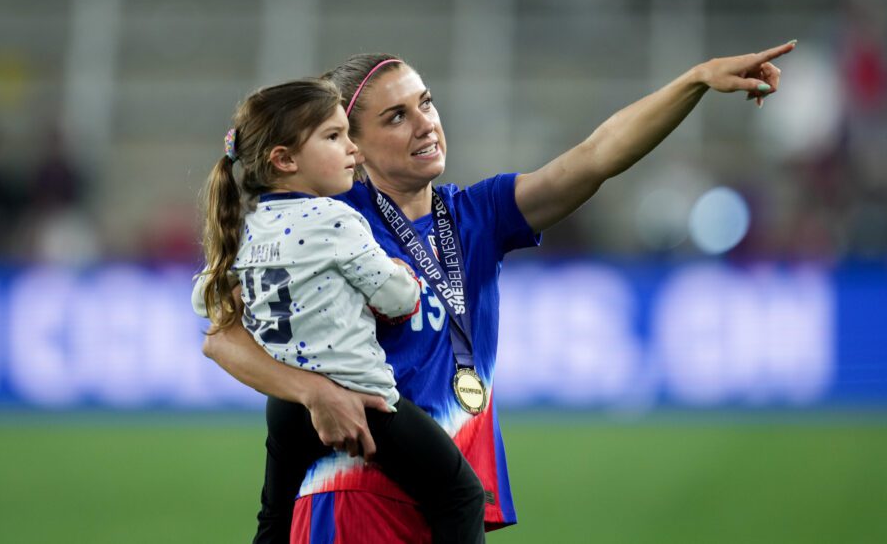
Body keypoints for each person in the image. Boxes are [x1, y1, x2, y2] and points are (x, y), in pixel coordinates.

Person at [201, 43, 795, 543]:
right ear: (350, 142)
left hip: (439, 502)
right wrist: (312, 393)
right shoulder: (329, 217)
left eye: (426, 103)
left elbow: (595, 158)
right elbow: (223, 336)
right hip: (352, 494)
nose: (425, 123)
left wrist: (692, 81)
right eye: (396, 117)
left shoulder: (476, 213)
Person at [192, 78, 486, 543]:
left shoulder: (248, 227)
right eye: (334, 137)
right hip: (361, 396)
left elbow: (207, 301)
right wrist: (400, 275)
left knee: (273, 520)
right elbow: (397, 299)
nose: (354, 149)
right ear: (284, 160)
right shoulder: (336, 219)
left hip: (285, 407)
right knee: (460, 495)